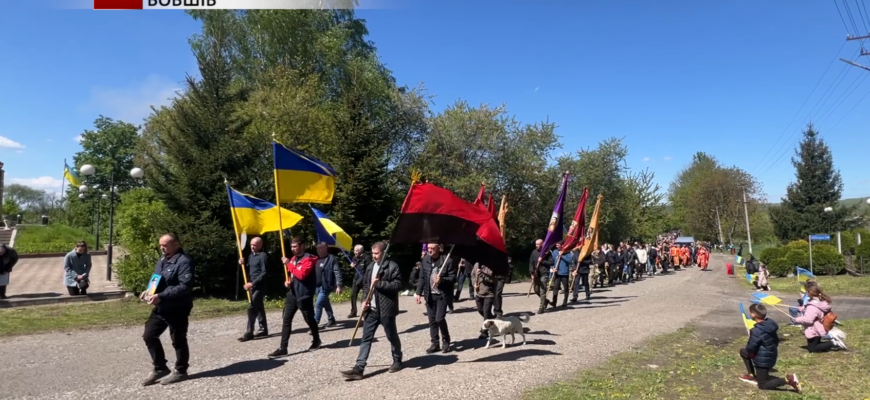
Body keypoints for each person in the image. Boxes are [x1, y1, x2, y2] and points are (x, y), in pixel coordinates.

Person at [340, 242, 403, 380]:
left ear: (384, 253)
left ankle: (397, 359)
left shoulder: (392, 266)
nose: (374, 256)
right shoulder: (370, 267)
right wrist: (364, 301)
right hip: (372, 310)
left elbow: (398, 285)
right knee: (366, 338)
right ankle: (359, 368)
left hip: (386, 309)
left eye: (377, 253)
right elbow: (366, 286)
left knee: (391, 336)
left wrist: (379, 284)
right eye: (372, 253)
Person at [140, 233, 194, 386]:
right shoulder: (163, 260)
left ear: (176, 244)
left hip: (178, 307)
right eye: (161, 245)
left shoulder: (184, 262)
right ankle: (160, 367)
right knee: (149, 335)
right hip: (161, 307)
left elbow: (184, 286)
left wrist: (161, 296)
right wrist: (148, 292)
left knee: (178, 339)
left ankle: (181, 371)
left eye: (165, 245)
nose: (162, 248)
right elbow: (156, 279)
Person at [268, 237, 321, 358]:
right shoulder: (293, 259)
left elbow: (301, 275)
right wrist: (288, 282)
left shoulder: (309, 259)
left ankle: (316, 339)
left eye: (295, 246)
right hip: (292, 294)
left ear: (302, 246)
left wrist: (288, 264)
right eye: (291, 246)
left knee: (309, 319)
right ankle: (283, 348)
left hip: (304, 294)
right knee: (286, 320)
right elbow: (293, 275)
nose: (293, 249)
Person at [738, 304, 802, 393]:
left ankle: (788, 380)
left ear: (753, 315)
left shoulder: (756, 331)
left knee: (762, 385)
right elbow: (775, 341)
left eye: (750, 313)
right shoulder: (770, 324)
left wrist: (751, 338)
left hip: (763, 362)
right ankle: (751, 375)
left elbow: (750, 349)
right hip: (771, 355)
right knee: (743, 351)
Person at [416, 242, 456, 353]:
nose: (429, 250)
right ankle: (435, 343)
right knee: (432, 320)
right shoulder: (426, 260)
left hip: (442, 295)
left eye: (432, 248)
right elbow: (422, 277)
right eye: (428, 248)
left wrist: (442, 280)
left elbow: (453, 278)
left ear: (439, 248)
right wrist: (418, 293)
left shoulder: (448, 261)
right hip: (429, 294)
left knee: (439, 319)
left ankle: (446, 341)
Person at [792, 285, 844, 353]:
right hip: (819, 327)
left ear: (810, 293)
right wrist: (803, 308)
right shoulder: (819, 302)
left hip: (814, 329)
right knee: (815, 344)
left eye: (807, 291)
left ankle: (834, 343)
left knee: (812, 349)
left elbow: (808, 320)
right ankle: (829, 343)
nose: (806, 293)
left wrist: (797, 319)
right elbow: (814, 311)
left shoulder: (812, 307)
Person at [238, 237, 268, 342]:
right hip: (252, 286)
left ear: (260, 245)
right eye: (251, 244)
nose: (252, 247)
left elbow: (264, 272)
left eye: (255, 245)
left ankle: (249, 332)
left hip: (259, 286)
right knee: (259, 307)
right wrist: (242, 263)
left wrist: (252, 283)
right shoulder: (251, 256)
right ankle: (263, 329)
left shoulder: (263, 256)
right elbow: (249, 270)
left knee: (252, 307)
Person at [314, 242, 342, 329]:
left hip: (326, 285)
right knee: (325, 303)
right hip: (317, 286)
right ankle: (331, 320)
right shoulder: (316, 259)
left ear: (326, 248)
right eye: (317, 248)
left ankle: (314, 325)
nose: (319, 250)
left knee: (318, 304)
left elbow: (337, 272)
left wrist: (339, 285)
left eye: (320, 248)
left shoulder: (331, 259)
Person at [471, 262, 496, 339]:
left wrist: (482, 274)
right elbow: (472, 275)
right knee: (480, 310)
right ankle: (492, 319)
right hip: (479, 293)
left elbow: (493, 280)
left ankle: (484, 332)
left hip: (489, 293)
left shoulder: (491, 266)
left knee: (486, 312)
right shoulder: (476, 265)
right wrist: (474, 283)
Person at [347, 244, 370, 318]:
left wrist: (365, 278)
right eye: (354, 250)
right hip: (356, 279)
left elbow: (369, 269)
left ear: (361, 251)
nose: (355, 252)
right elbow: (353, 264)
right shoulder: (355, 258)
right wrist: (352, 265)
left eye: (357, 251)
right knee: (353, 295)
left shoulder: (366, 258)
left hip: (364, 280)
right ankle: (353, 312)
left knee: (365, 296)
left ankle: (365, 311)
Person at [549, 242, 574, 308]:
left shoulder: (567, 252)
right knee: (555, 288)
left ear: (562, 245)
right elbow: (552, 261)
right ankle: (554, 302)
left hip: (564, 273)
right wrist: (552, 268)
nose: (557, 246)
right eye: (556, 245)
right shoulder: (554, 252)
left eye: (558, 245)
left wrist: (562, 256)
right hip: (557, 273)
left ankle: (565, 302)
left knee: (565, 288)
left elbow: (569, 260)